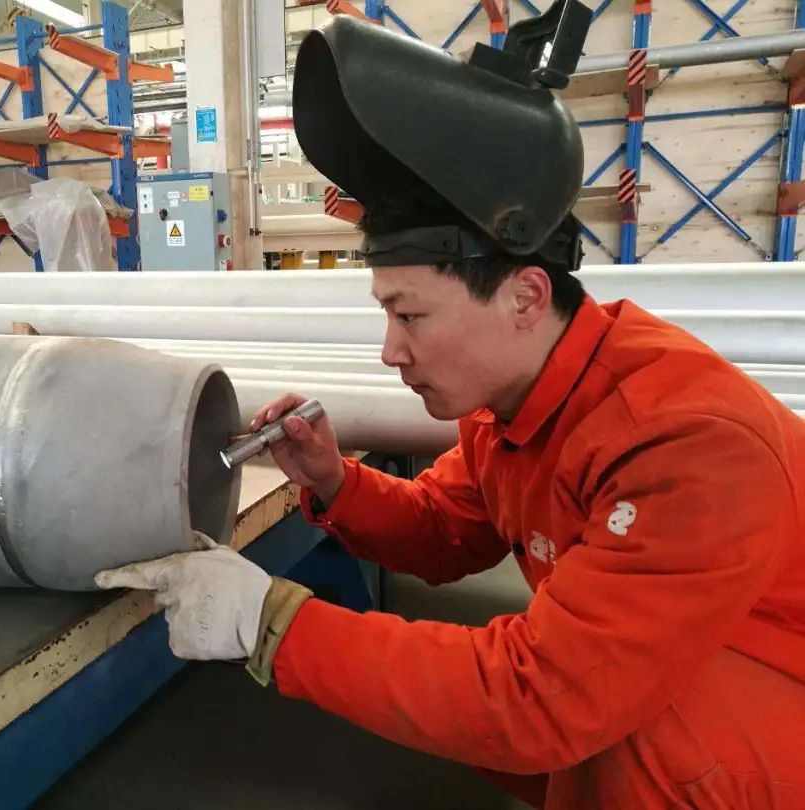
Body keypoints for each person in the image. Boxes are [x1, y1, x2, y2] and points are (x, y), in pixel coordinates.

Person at [96, 3, 805, 807]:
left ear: (524, 298)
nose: (390, 351)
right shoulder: (515, 406)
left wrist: (273, 621)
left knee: (622, 727)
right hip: (725, 689)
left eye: (410, 316)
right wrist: (333, 480)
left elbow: (542, 700)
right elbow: (446, 530)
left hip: (775, 714)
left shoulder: (690, 445)